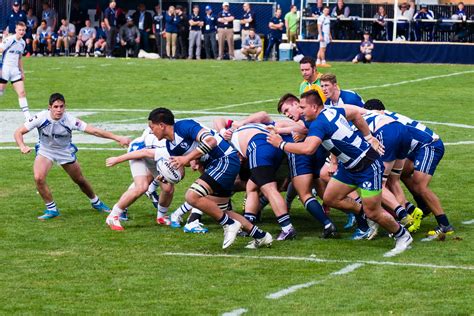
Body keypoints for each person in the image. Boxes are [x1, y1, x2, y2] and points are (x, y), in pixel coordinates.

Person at [267, 90, 413, 257]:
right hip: (350, 168)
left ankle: (402, 234)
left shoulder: (319, 124)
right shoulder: (331, 110)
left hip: (367, 166)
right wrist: (368, 136)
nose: (300, 110)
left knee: (373, 211)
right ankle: (366, 217)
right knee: (331, 198)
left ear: (314, 107)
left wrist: (281, 144)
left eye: (303, 107)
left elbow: (308, 149)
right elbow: (356, 114)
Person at [108, 108, 273, 250]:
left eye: (152, 127)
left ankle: (229, 224)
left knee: (192, 196)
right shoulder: (169, 145)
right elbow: (179, 167)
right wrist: (165, 173)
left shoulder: (184, 126)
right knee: (221, 210)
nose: (151, 131)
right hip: (215, 165)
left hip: (225, 159)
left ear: (161, 125)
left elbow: (211, 141)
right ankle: (261, 236)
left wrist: (186, 159)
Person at [13, 93, 131, 220]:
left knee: (79, 180)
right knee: (38, 178)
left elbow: (94, 131)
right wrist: (22, 146)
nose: (59, 110)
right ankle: (52, 209)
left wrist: (117, 137)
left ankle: (96, 202)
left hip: (65, 151)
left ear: (65, 107)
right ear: (50, 107)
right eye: (56, 107)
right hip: (45, 151)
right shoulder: (40, 117)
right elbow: (18, 132)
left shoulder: (70, 120)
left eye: (61, 107)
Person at [363, 99, 453, 239]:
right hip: (414, 146)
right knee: (399, 175)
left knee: (419, 185)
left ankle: (444, 225)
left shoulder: (379, 119)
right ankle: (419, 208)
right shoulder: (385, 116)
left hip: (429, 145)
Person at [104, 127, 176, 228]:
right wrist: (117, 159)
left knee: (168, 188)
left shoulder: (179, 141)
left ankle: (161, 217)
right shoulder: (166, 146)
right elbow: (144, 152)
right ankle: (113, 216)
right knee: (141, 186)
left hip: (155, 157)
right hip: (139, 151)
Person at [0, 21, 30, 120]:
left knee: (22, 93)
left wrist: (22, 71)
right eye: (19, 30)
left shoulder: (22, 43)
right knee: (1, 91)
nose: (21, 32)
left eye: (23, 30)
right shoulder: (9, 40)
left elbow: (19, 58)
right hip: (5, 69)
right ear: (16, 30)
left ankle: (27, 116)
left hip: (15, 71)